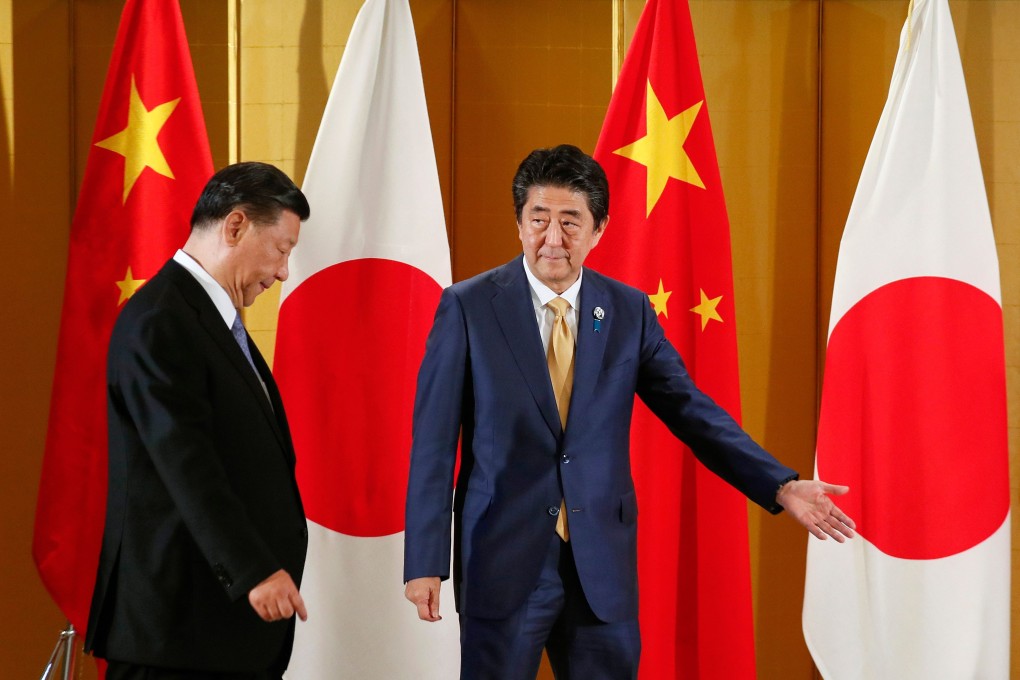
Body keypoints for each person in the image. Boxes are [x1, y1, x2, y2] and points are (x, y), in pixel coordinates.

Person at [403, 145, 855, 680]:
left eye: (570, 222)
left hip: (601, 570)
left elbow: (691, 411)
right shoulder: (468, 306)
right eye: (538, 220)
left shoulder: (627, 312)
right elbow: (433, 444)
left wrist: (778, 485)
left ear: (599, 230)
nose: (553, 239)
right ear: (519, 223)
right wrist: (425, 561)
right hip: (501, 559)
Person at [85, 162, 311, 680]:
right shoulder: (162, 320)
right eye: (281, 249)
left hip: (218, 632)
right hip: (177, 634)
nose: (282, 272)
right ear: (235, 226)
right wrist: (254, 569)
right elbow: (186, 462)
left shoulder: (211, 320)